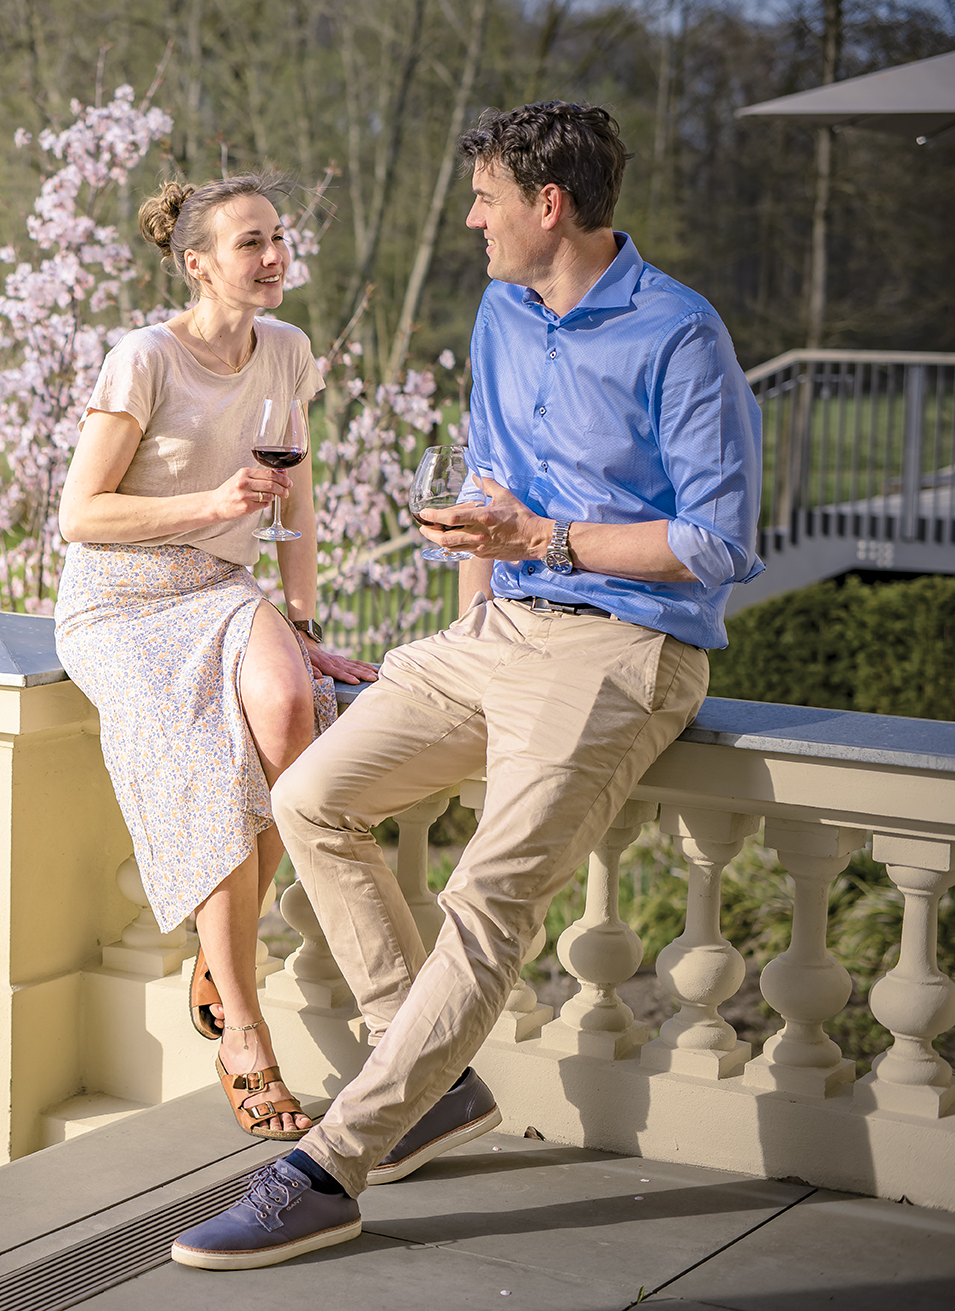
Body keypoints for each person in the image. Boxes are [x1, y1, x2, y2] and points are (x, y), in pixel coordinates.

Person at [172, 101, 764, 1270]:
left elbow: (716, 542)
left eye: (485, 197)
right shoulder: (502, 308)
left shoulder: (678, 334)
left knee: (487, 901)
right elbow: (491, 484)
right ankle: (429, 1078)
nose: (469, 218)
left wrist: (544, 540)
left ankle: (328, 1168)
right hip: (499, 632)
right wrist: (471, 630)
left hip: (623, 648)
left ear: (549, 205)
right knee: (311, 798)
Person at [56, 172, 378, 1143]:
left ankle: (218, 949)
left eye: (277, 237)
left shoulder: (285, 350)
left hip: (223, 591)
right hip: (120, 603)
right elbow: (80, 516)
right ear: (198, 263)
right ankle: (243, 1024)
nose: (274, 256)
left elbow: (298, 496)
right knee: (201, 758)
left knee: (294, 716)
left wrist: (305, 621)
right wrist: (211, 506)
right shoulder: (142, 358)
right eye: (250, 242)